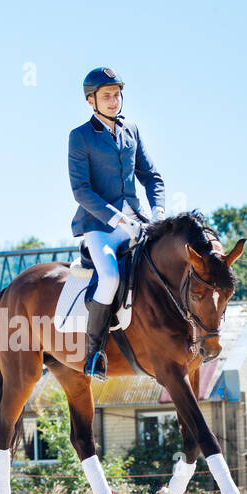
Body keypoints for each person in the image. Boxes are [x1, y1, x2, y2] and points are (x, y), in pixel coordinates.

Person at [68, 67, 165, 380]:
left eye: (117, 94)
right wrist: (118, 218)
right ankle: (94, 354)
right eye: (107, 95)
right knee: (109, 278)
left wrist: (159, 212)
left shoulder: (131, 129)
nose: (114, 100)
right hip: (99, 227)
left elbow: (151, 176)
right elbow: (81, 190)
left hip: (137, 222)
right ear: (90, 100)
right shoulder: (80, 136)